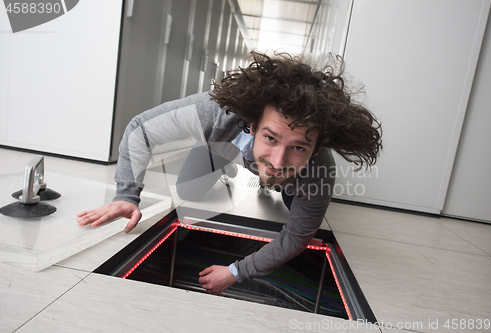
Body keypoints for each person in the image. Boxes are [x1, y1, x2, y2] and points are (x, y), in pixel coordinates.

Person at [77, 51, 382, 295]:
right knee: (189, 189)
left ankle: (272, 185)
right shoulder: (211, 114)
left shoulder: (318, 174)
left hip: (288, 180)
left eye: (299, 147)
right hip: (224, 149)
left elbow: (295, 238)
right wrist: (127, 194)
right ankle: (231, 166)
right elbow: (139, 130)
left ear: (315, 151)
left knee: (289, 203)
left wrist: (237, 272)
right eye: (271, 138)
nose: (278, 159)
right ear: (252, 125)